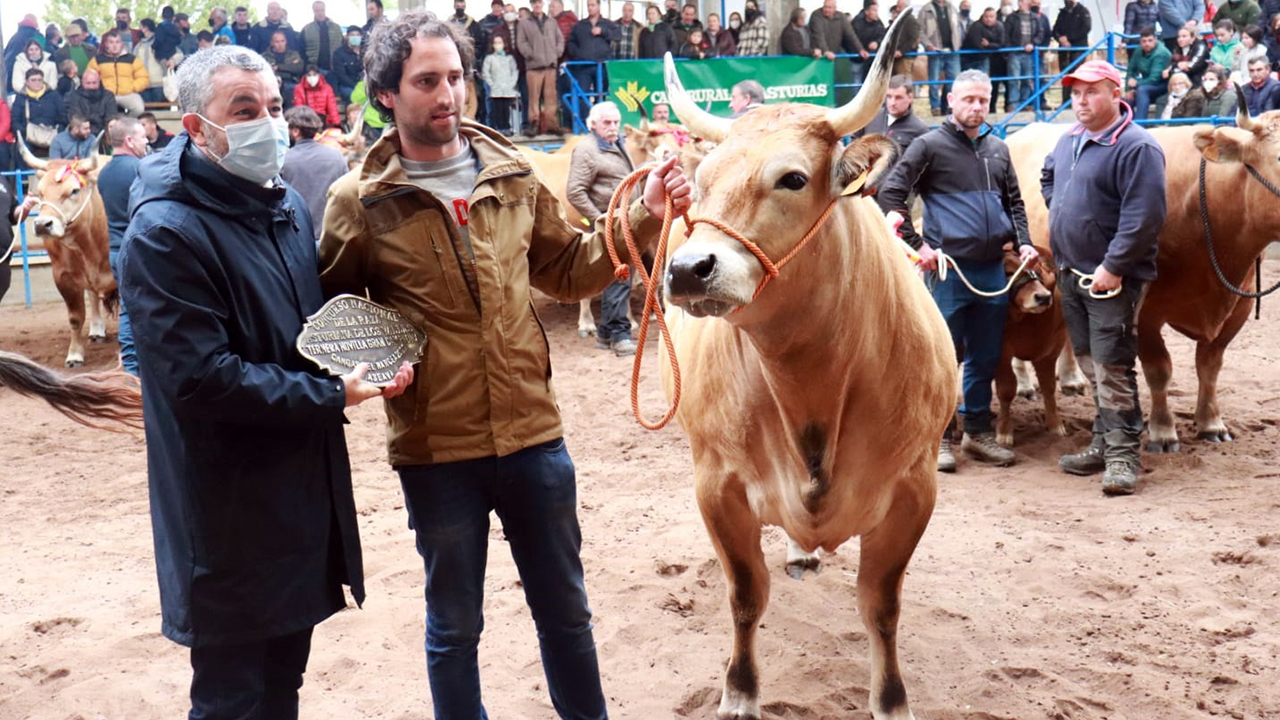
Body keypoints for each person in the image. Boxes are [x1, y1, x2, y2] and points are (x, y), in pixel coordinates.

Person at [317, 15, 690, 719]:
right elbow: (334, 311)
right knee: (455, 629)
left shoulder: (512, 175)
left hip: (536, 440)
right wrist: (371, 370)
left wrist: (643, 212)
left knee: (568, 615)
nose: (447, 94)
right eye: (427, 81)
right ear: (387, 95)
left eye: (455, 77)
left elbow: (570, 269)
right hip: (437, 450)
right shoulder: (358, 202)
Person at [116, 44, 413, 719]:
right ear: (197, 127)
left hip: (298, 498)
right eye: (244, 110)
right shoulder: (165, 232)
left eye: (274, 107)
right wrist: (332, 395)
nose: (268, 123)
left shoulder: (278, 205)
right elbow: (202, 378)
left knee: (282, 685)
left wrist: (373, 350)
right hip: (227, 515)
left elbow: (300, 329)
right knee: (232, 697)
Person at [877, 69, 1036, 472]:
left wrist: (1025, 243)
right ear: (950, 100)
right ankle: (940, 437)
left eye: (983, 100)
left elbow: (1014, 202)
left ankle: (978, 433)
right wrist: (918, 247)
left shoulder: (998, 149)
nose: (977, 107)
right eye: (968, 99)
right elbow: (892, 194)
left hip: (991, 272)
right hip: (947, 271)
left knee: (985, 355)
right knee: (943, 356)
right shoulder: (928, 146)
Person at [1041, 60, 1165, 495]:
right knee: (1092, 363)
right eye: (1076, 93)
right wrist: (1063, 211)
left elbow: (1144, 217)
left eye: (1092, 92)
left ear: (1116, 93)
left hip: (1111, 278)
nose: (1081, 101)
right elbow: (1047, 176)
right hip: (1072, 272)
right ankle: (1102, 441)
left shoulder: (1137, 147)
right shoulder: (1069, 139)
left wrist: (1113, 267)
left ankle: (1123, 456)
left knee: (1112, 365)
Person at [568, 101, 638, 356]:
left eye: (616, 122)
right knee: (619, 277)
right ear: (593, 124)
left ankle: (606, 334)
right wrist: (601, 219)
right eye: (607, 123)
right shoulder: (586, 150)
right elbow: (574, 191)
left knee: (617, 277)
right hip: (609, 224)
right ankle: (619, 335)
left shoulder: (617, 144)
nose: (613, 127)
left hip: (623, 222)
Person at [99, 116, 148, 374]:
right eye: (142, 137)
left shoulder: (104, 173)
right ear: (129, 140)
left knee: (128, 310)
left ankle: (131, 369)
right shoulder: (140, 169)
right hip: (140, 249)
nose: (147, 141)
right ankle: (137, 369)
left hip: (117, 250)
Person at [281, 106, 347, 243]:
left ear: (295, 131)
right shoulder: (336, 157)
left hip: (297, 239)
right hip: (332, 237)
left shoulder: (283, 160)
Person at [852, 74, 929, 163]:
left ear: (910, 97)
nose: (892, 103)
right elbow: (853, 143)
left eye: (898, 98)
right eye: (889, 97)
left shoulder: (920, 130)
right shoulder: (870, 117)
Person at [516, 0, 566, 136]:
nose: (537, 5)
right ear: (532, 5)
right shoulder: (524, 23)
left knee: (551, 98)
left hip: (550, 66)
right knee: (533, 98)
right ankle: (534, 125)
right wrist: (530, 54)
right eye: (534, 3)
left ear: (543, 4)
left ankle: (552, 126)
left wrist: (556, 53)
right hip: (533, 67)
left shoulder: (551, 22)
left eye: (539, 2)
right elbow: (521, 42)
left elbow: (560, 39)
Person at [567, 0, 620, 121]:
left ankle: (601, 122)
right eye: (588, 6)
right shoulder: (580, 25)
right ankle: (584, 124)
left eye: (592, 5)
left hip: (601, 65)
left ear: (599, 6)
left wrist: (603, 31)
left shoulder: (607, 24)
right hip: (583, 65)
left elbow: (618, 36)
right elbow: (571, 42)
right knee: (581, 94)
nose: (590, 8)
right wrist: (577, 53)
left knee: (602, 95)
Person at [87, 30, 149, 117]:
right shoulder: (97, 60)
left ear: (122, 44)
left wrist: (133, 87)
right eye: (111, 42)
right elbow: (89, 77)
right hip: (105, 94)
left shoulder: (132, 59)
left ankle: (125, 123)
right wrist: (100, 90)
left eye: (117, 42)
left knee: (139, 108)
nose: (115, 45)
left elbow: (143, 77)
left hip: (128, 94)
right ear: (106, 44)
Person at [0, 173, 40, 307]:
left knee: (3, 282)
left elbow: (12, 214)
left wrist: (24, 208)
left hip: (3, 256)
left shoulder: (2, 180)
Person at [919, 0, 964, 116]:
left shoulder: (952, 8)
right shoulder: (926, 9)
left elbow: (958, 27)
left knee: (953, 82)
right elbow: (920, 31)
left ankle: (949, 106)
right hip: (935, 51)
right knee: (934, 82)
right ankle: (936, 108)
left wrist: (958, 43)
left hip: (952, 51)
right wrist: (927, 45)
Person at [10, 69, 67, 159]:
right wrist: (26, 132)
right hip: (29, 136)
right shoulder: (21, 98)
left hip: (52, 134)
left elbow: (63, 116)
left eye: (39, 80)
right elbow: (15, 121)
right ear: (26, 82)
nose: (37, 83)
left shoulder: (54, 95)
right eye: (33, 80)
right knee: (20, 150)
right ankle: (26, 173)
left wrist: (58, 130)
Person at [1004, 0, 1046, 112]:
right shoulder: (1012, 18)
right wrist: (1010, 49)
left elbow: (1040, 33)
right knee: (1014, 79)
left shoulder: (1034, 17)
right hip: (1015, 52)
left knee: (1027, 79)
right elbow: (1006, 35)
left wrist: (1033, 44)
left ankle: (1025, 103)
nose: (1021, 3)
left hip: (1029, 53)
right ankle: (1013, 104)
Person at [1125, 27, 1172, 120]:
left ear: (1155, 39)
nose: (1147, 44)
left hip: (1163, 85)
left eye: (1150, 40)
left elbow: (1155, 78)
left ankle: (1140, 123)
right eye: (1144, 41)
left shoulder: (1161, 53)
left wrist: (1136, 84)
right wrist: (1129, 89)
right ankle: (1127, 125)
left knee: (1142, 90)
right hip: (1147, 84)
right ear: (1140, 42)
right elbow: (1131, 70)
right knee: (1124, 101)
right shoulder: (1138, 50)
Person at [1052, 0, 1091, 104]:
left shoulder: (1083, 12)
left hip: (1078, 49)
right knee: (1065, 75)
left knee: (1076, 74)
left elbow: (1086, 28)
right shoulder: (1062, 13)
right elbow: (1055, 29)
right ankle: (1065, 101)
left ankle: (1078, 100)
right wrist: (1060, 38)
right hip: (1064, 51)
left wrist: (1069, 39)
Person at [482, 34, 520, 134]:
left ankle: (507, 128)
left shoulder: (509, 58)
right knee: (497, 110)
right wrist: (492, 84)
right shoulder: (489, 58)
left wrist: (512, 83)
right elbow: (486, 73)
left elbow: (514, 71)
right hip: (496, 89)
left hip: (507, 89)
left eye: (500, 42)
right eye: (496, 43)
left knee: (506, 110)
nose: (498, 45)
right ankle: (499, 129)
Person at [66, 69, 116, 136]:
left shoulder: (108, 96)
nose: (91, 86)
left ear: (99, 82)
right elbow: (76, 118)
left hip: (104, 134)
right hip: (82, 134)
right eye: (88, 83)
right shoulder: (74, 96)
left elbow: (111, 117)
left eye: (94, 83)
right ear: (82, 82)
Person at [4, 14, 45, 94]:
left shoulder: (13, 38)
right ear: (35, 24)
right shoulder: (36, 37)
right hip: (29, 81)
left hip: (9, 81)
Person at [266, 30, 305, 106]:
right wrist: (288, 68)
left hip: (292, 82)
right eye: (277, 42)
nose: (280, 44)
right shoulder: (265, 56)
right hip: (273, 84)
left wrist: (279, 67)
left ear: (286, 41)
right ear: (272, 43)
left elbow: (299, 68)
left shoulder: (293, 54)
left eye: (282, 41)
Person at [852, 1, 887, 84]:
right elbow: (853, 39)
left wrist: (876, 43)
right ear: (867, 12)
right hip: (858, 58)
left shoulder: (879, 23)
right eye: (874, 10)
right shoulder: (856, 23)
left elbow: (883, 36)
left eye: (877, 11)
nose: (876, 13)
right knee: (857, 83)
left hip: (872, 59)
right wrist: (861, 50)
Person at [962, 7, 1003, 73]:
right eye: (986, 17)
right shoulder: (976, 26)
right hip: (969, 58)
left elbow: (1001, 43)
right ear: (983, 16)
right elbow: (977, 45)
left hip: (984, 58)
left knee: (983, 81)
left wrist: (988, 44)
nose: (988, 19)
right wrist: (993, 46)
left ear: (995, 17)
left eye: (991, 17)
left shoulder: (999, 26)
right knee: (969, 82)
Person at [330, 26, 364, 103]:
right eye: (352, 35)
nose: (355, 37)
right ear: (347, 37)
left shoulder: (367, 51)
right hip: (348, 85)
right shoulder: (339, 53)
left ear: (361, 37)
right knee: (353, 95)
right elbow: (341, 75)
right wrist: (356, 86)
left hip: (365, 84)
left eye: (357, 35)